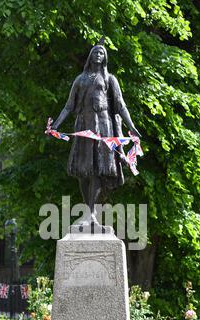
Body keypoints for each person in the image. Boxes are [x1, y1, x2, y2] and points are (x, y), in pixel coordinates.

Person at [51, 43, 141, 226]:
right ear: (90, 56)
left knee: (97, 171)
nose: (98, 55)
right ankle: (88, 209)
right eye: (95, 52)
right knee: (82, 172)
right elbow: (69, 106)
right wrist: (56, 125)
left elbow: (121, 105)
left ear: (105, 57)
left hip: (104, 127)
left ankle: (91, 212)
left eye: (102, 52)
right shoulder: (80, 80)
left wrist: (131, 126)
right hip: (84, 127)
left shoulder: (110, 79)